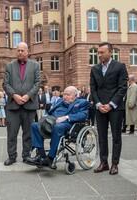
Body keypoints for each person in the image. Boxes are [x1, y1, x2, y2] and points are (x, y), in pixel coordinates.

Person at [24, 86, 89, 168]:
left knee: (58, 127)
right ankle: (41, 155)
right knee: (34, 125)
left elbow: (83, 115)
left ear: (75, 95)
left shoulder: (82, 102)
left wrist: (67, 117)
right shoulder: (59, 101)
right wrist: (46, 117)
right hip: (52, 121)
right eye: (64, 94)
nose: (65, 96)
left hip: (67, 124)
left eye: (68, 94)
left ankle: (50, 158)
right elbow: (50, 111)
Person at [90, 42, 128, 175]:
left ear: (110, 52)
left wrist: (111, 104)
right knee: (102, 136)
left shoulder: (120, 67)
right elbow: (93, 89)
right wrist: (99, 104)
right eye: (98, 52)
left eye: (102, 52)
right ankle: (104, 162)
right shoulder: (94, 69)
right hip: (100, 108)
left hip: (115, 108)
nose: (99, 55)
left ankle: (115, 164)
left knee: (116, 136)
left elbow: (122, 87)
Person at [3, 42, 40, 166]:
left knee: (28, 133)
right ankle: (12, 157)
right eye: (18, 50)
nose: (20, 52)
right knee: (12, 133)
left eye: (22, 50)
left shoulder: (35, 65)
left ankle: (26, 155)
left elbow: (37, 83)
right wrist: (14, 95)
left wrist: (28, 95)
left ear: (27, 52)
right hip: (13, 106)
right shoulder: (9, 66)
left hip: (29, 105)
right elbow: (6, 84)